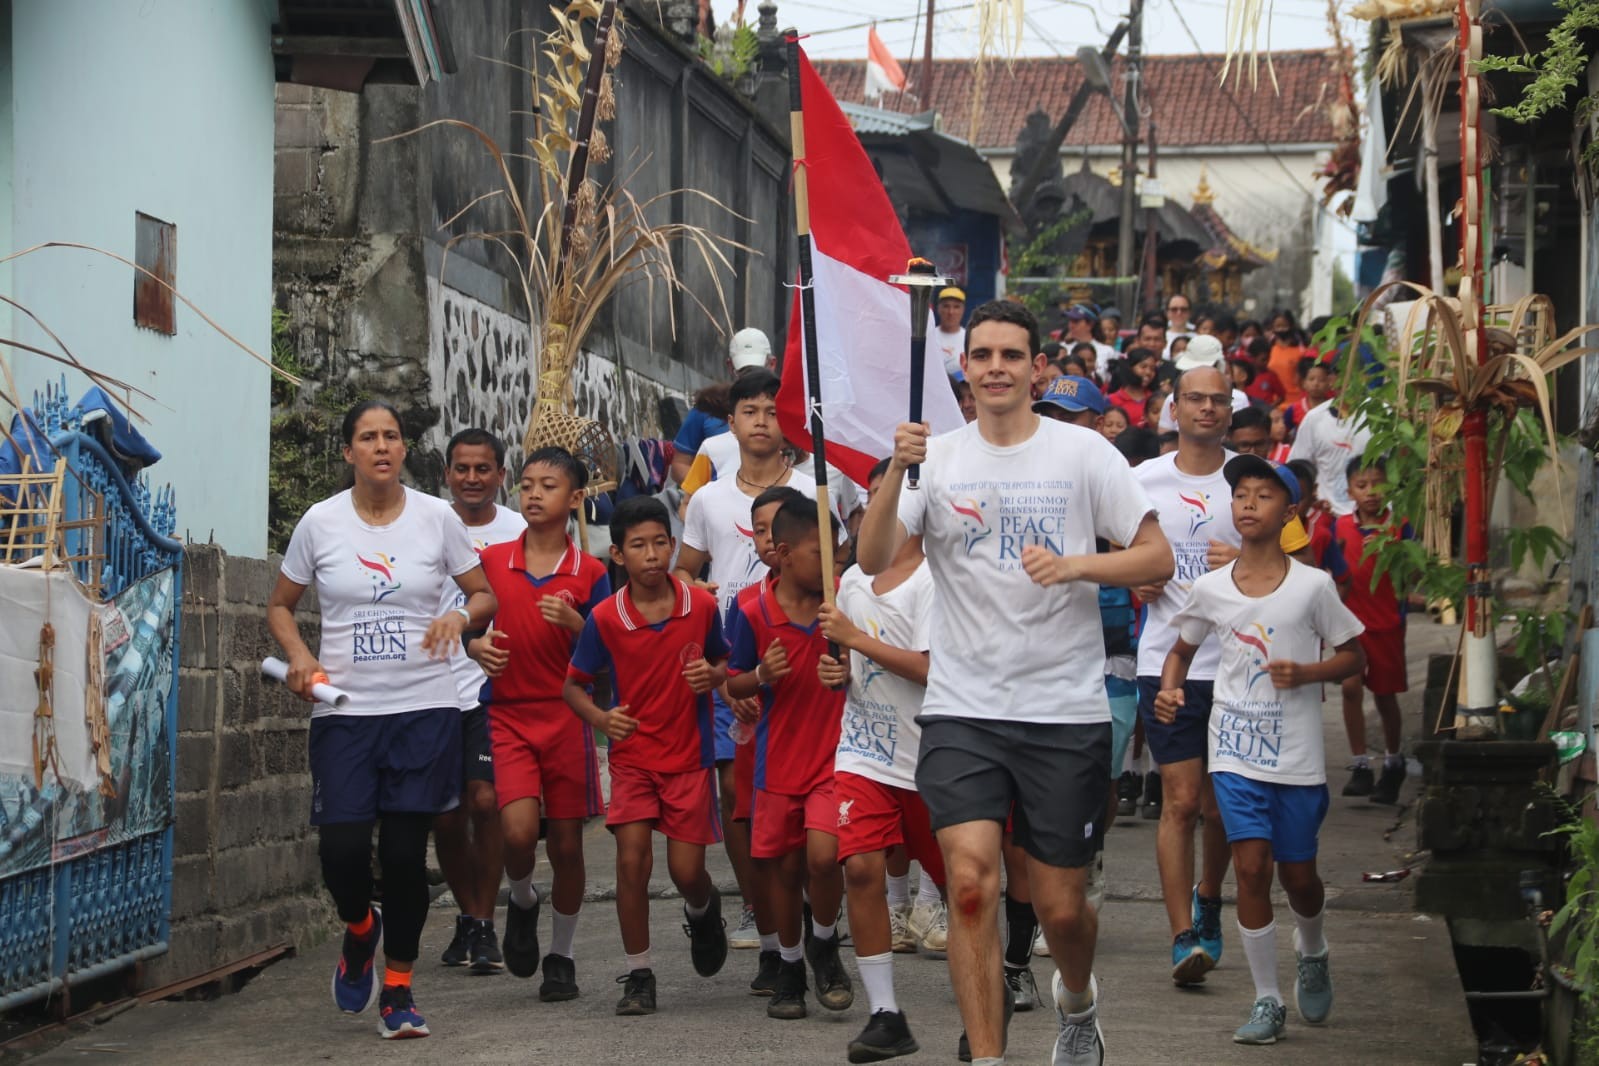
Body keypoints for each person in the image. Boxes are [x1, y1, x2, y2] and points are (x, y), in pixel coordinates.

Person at [857, 299, 1174, 1066]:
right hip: (962, 710)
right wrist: (897, 470)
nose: (995, 367)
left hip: (1062, 712)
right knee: (969, 885)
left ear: (1038, 369)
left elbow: (1156, 558)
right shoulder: (936, 459)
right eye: (981, 355)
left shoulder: (1082, 455)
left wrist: (1076, 565)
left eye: (1010, 355)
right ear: (964, 369)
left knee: (1063, 910)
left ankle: (1075, 998)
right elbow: (869, 558)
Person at [267, 400, 498, 1040]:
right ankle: (360, 928)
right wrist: (300, 655)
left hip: (424, 708)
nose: (381, 446)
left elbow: (484, 593)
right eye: (368, 438)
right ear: (349, 453)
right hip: (345, 712)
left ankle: (398, 990)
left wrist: (460, 616)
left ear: (402, 449)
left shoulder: (436, 518)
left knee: (402, 857)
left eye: (391, 436)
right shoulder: (320, 523)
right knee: (341, 851)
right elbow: (282, 606)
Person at [1157, 455, 1364, 1045]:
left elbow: (1356, 656)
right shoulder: (1211, 588)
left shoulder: (1314, 587)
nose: (1248, 504)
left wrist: (1308, 673)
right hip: (1234, 751)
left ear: (1290, 512)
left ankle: (1314, 947)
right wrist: (1171, 690)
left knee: (1299, 877)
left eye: (1263, 496)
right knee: (1251, 867)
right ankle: (1268, 999)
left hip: (1296, 759)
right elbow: (1181, 649)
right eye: (1240, 495)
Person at [564, 496, 731, 1015]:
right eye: (639, 545)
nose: (653, 554)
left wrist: (714, 677)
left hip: (688, 760)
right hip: (633, 760)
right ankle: (639, 974)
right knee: (631, 863)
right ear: (618, 554)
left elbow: (724, 663)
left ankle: (703, 910)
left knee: (686, 872)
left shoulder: (700, 606)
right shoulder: (604, 617)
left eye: (661, 542)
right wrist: (601, 720)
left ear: (674, 545)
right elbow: (574, 686)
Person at [675, 368, 822, 954]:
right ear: (730, 422)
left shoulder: (813, 491)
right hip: (729, 661)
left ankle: (807, 903)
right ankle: (758, 910)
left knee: (801, 792)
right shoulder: (708, 498)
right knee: (737, 795)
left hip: (799, 658)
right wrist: (698, 588)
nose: (762, 421)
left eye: (772, 410)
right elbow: (684, 567)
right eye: (750, 411)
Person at [472, 448, 612, 1001]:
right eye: (527, 484)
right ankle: (524, 900)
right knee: (517, 832)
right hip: (507, 714)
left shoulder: (593, 572)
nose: (533, 494)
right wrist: (473, 645)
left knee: (569, 849)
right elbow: (469, 624)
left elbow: (609, 655)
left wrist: (579, 624)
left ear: (574, 498)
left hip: (567, 716)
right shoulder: (492, 561)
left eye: (548, 485)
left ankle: (563, 955)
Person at [816, 460, 942, 1062]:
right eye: (875, 492)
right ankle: (886, 1014)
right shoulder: (849, 582)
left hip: (934, 760)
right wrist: (834, 670)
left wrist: (857, 641)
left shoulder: (938, 580)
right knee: (861, 870)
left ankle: (989, 988)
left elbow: (928, 668)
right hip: (863, 754)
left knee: (963, 888)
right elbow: (846, 670)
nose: (884, 504)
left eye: (900, 491)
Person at [1132, 365, 1242, 989]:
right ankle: (1181, 937)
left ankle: (1210, 897)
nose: (1206, 408)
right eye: (1194, 398)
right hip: (1162, 662)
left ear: (1230, 409)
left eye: (1217, 399)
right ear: (1172, 407)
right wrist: (1133, 578)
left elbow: (1300, 567)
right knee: (1178, 802)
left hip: (1237, 668)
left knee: (1219, 807)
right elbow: (1108, 547)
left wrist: (1255, 557)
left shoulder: (1252, 483)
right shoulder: (1141, 479)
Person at [725, 498, 853, 1021]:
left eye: (836, 553)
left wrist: (847, 670)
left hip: (834, 760)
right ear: (780, 554)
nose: (831, 564)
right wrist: (760, 676)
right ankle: (791, 967)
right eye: (819, 553)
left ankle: (825, 942)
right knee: (782, 870)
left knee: (824, 857)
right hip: (775, 765)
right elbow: (731, 680)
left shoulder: (844, 602)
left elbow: (869, 662)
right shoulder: (753, 611)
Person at [434, 429, 527, 974]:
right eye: (462, 469)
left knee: (487, 801)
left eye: (483, 469)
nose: (472, 478)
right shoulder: (426, 522)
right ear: (447, 474)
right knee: (445, 817)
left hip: (493, 688)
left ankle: (487, 922)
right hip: (429, 688)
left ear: (500, 475)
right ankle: (469, 916)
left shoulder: (518, 530)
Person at [1325, 457, 1415, 804]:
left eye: (1377, 485)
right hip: (1349, 622)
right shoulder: (1339, 528)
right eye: (1362, 486)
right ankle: (1360, 763)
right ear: (1349, 491)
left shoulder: (1400, 526)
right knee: (1350, 688)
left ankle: (1393, 761)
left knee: (1385, 696)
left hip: (1387, 623)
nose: (1371, 493)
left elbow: (1413, 572)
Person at [674, 328, 774, 491]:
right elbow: (680, 464)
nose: (751, 378)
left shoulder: (787, 410)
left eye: (757, 370)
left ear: (772, 364)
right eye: (744, 370)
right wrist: (709, 495)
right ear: (732, 422)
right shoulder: (709, 407)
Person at [1287, 388, 1372, 516]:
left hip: (1375, 514)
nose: (1347, 384)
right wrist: (1311, 499)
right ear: (1331, 380)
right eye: (1339, 375)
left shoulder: (1382, 412)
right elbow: (1298, 468)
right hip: (1328, 513)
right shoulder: (1314, 418)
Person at [1283, 358, 1333, 439]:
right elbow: (1284, 433)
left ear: (1329, 384)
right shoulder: (1294, 409)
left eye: (1321, 380)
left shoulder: (1333, 408)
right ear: (1303, 383)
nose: (1316, 384)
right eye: (1311, 379)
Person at [1108, 347, 1159, 426]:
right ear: (1129, 368)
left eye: (1152, 369)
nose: (1148, 372)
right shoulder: (1111, 400)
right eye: (1143, 367)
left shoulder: (1156, 399)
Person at [936, 286, 968, 377]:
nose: (951, 312)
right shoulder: (929, 337)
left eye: (956, 307)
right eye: (946, 306)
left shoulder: (969, 339)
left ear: (963, 310)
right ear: (939, 309)